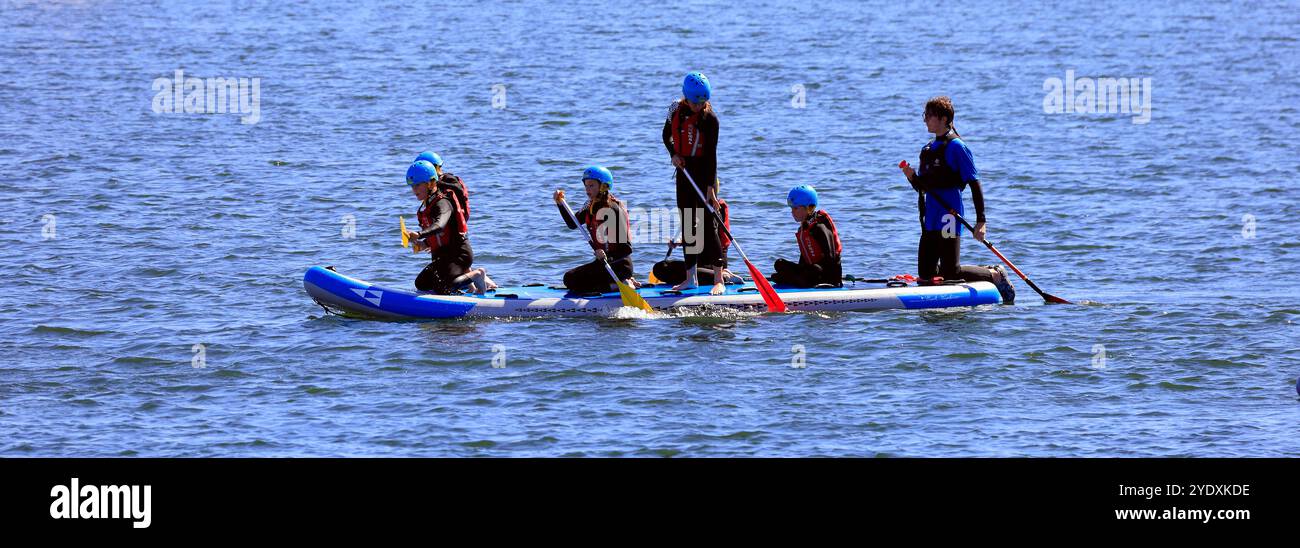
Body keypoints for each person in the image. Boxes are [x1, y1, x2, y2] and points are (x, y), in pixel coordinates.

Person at [897, 96, 1015, 303]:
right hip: (930, 216)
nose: (925, 120)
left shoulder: (957, 147)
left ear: (943, 119)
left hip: (949, 215)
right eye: (925, 115)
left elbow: (974, 183)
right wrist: (912, 177)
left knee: (951, 273)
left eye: (929, 116)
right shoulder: (927, 150)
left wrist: (981, 221)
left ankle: (994, 274)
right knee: (925, 277)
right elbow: (922, 188)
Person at [663, 71, 725, 294]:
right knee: (688, 223)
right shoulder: (674, 109)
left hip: (705, 175)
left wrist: (710, 189)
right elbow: (666, 135)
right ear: (686, 98)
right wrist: (673, 154)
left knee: (708, 225)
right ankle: (691, 278)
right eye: (695, 102)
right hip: (684, 172)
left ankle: (719, 279)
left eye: (703, 102)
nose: (699, 106)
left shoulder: (711, 120)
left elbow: (711, 156)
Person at [402, 160, 496, 295]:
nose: (414, 190)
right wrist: (423, 244)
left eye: (417, 185)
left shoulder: (442, 202)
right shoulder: (428, 204)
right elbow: (441, 235)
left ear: (430, 183)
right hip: (443, 257)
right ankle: (463, 285)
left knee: (443, 287)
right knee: (421, 284)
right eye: (412, 186)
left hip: (458, 254)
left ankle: (477, 275)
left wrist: (419, 234)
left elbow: (440, 225)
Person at [552, 165, 635, 293]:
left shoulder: (613, 209)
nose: (587, 190)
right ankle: (622, 282)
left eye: (591, 186)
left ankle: (618, 285)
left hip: (619, 265)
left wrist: (607, 256)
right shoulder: (590, 206)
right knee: (569, 278)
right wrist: (560, 204)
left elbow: (626, 248)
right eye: (586, 186)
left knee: (571, 280)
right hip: (604, 264)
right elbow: (573, 224)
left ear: (603, 186)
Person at [651, 178, 742, 286]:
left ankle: (722, 276)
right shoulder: (692, 206)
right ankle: (707, 276)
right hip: (698, 262)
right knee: (660, 268)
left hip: (714, 262)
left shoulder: (717, 206)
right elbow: (697, 235)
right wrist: (680, 242)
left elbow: (711, 237)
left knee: (664, 269)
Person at [771, 185, 843, 288]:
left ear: (809, 208)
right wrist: (799, 271)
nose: (792, 212)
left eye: (796, 208)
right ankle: (797, 279)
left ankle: (799, 280)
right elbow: (805, 257)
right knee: (779, 264)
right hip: (810, 272)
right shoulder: (804, 229)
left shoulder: (820, 228)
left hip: (827, 276)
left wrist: (833, 283)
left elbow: (831, 258)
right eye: (791, 208)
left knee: (813, 269)